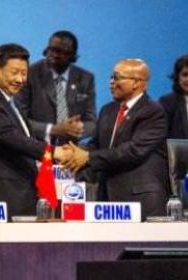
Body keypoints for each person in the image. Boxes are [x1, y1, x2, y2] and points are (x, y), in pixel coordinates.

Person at [60, 59, 170, 220]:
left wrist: (88, 157)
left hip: (141, 200)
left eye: (117, 77)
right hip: (108, 198)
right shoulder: (108, 110)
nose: (111, 82)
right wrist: (73, 152)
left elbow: (133, 151)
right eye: (111, 77)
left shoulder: (153, 111)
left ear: (137, 83)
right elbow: (95, 145)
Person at [0, 43, 70, 218]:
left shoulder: (12, 102)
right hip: (4, 192)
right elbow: (12, 138)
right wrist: (53, 152)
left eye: (24, 73)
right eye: (14, 72)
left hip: (24, 190)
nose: (20, 79)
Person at [17, 30, 96, 145]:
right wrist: (53, 130)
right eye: (51, 49)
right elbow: (19, 120)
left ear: (73, 56)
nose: (54, 54)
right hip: (36, 148)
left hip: (70, 150)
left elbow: (92, 122)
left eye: (61, 51)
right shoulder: (30, 74)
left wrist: (76, 129)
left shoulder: (85, 78)